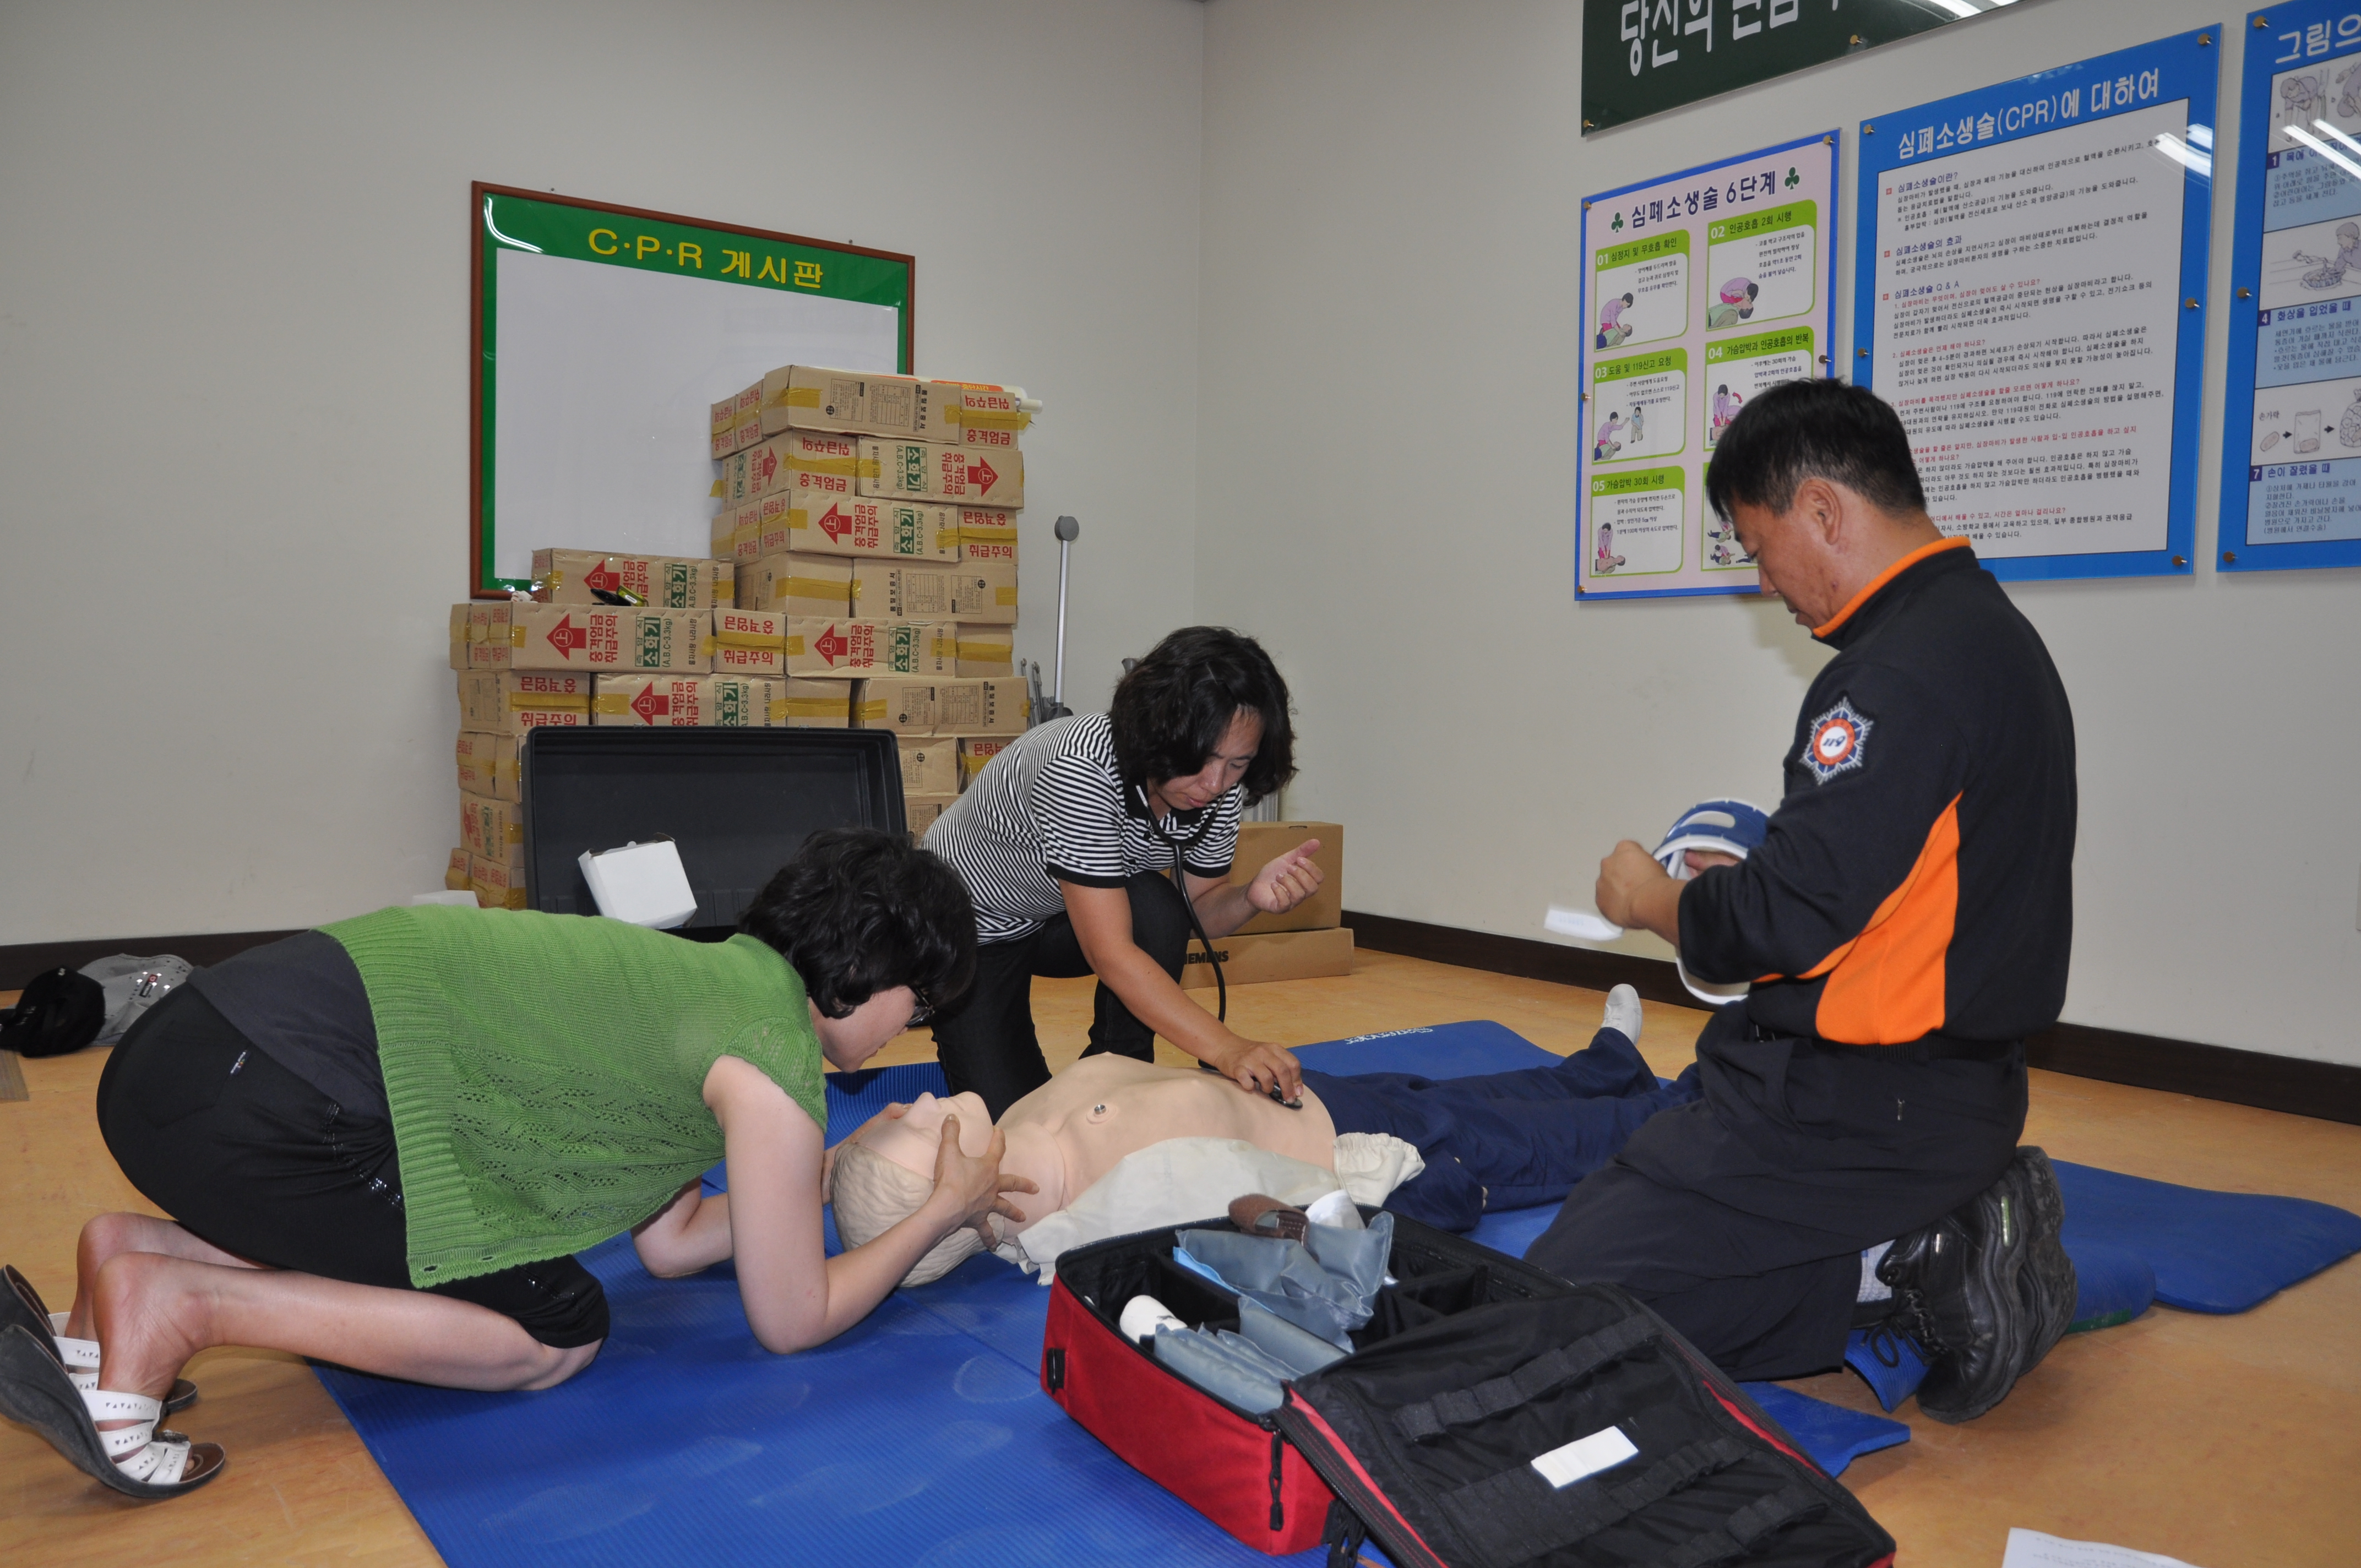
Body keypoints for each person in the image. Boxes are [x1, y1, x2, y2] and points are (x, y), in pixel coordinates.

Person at [0, 830, 1031, 1498]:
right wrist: (938, 1211)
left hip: (183, 1062)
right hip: (262, 1097)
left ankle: (123, 1261)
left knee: (465, 1245)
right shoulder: (772, 1057)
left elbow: (673, 1242)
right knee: (557, 1328)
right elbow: (791, 1318)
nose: (908, 1030)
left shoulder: (716, 979)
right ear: (868, 974)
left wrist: (826, 1169)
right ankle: (180, 1306)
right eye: (917, 1005)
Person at [1526, 378, 2079, 1424]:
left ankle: (1915, 1259)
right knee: (1621, 1251)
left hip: (1859, 1110)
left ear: (1821, 509)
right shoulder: (1986, 634)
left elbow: (1778, 922)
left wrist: (1652, 899)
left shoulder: (1896, 675)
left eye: (1755, 543)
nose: (1763, 581)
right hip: (1944, 1091)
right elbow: (1874, 884)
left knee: (1560, 1309)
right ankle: (1912, 1255)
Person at [832, 987, 1699, 1286]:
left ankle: (1606, 1062)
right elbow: (1263, 1226)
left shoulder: (1011, 1134)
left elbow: (853, 1177)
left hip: (1308, 1093)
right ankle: (1703, 1103)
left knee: (1484, 1092)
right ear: (956, 1201)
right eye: (914, 1131)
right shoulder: (1095, 1214)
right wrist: (1376, 1197)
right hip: (1358, 1150)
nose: (910, 1106)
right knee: (1550, 1141)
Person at [922, 626, 1325, 1119]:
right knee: (1017, 1121)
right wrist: (1227, 1048)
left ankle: (1118, 1069)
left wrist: (1249, 899)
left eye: (1237, 763)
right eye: (1201, 760)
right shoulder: (1079, 766)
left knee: (1159, 907)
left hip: (1055, 912)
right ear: (1159, 731)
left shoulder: (1219, 788)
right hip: (973, 927)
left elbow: (1197, 911)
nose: (1215, 783)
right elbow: (1109, 952)